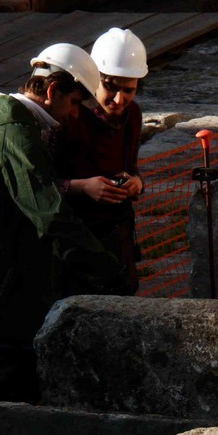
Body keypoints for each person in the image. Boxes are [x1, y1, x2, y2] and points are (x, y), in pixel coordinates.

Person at [0, 42, 125, 401]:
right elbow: (50, 217)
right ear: (51, 91)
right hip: (11, 290)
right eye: (75, 103)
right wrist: (106, 269)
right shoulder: (17, 137)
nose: (76, 115)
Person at [57, 27, 148, 296]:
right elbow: (38, 186)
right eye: (110, 86)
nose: (119, 100)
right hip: (74, 236)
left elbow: (131, 166)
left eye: (129, 90)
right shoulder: (70, 115)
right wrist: (82, 186)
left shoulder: (132, 115)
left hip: (116, 233)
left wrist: (136, 183)